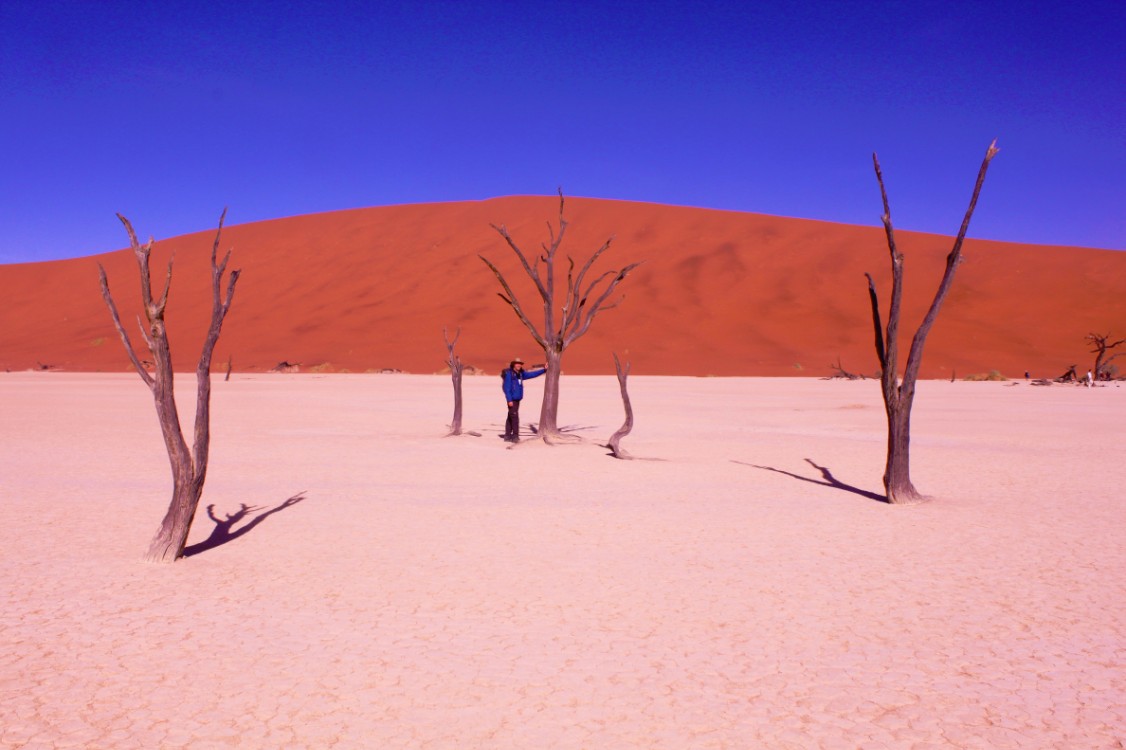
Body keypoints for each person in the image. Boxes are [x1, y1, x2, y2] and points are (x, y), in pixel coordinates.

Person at [501, 357, 545, 442]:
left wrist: (544, 370)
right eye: (517, 364)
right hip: (512, 399)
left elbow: (532, 374)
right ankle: (515, 436)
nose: (519, 365)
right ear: (513, 364)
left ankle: (507, 435)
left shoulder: (520, 374)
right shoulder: (510, 374)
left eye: (520, 364)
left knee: (511, 416)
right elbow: (507, 388)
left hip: (517, 399)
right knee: (514, 417)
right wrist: (509, 400)